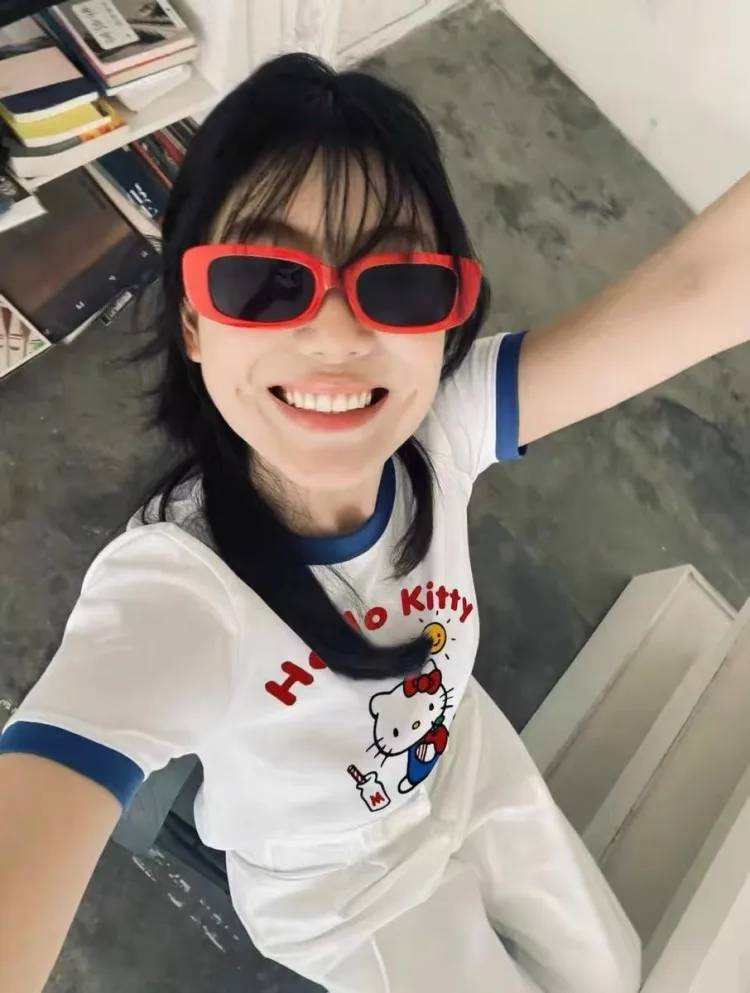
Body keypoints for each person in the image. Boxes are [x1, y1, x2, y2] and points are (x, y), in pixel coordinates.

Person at [0, 52, 748, 993]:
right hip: (343, 892)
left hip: (460, 755)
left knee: (615, 970)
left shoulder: (440, 428)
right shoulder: (176, 591)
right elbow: (42, 796)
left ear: (446, 322)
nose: (338, 335)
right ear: (193, 324)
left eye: (396, 284)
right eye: (264, 282)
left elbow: (702, 283)